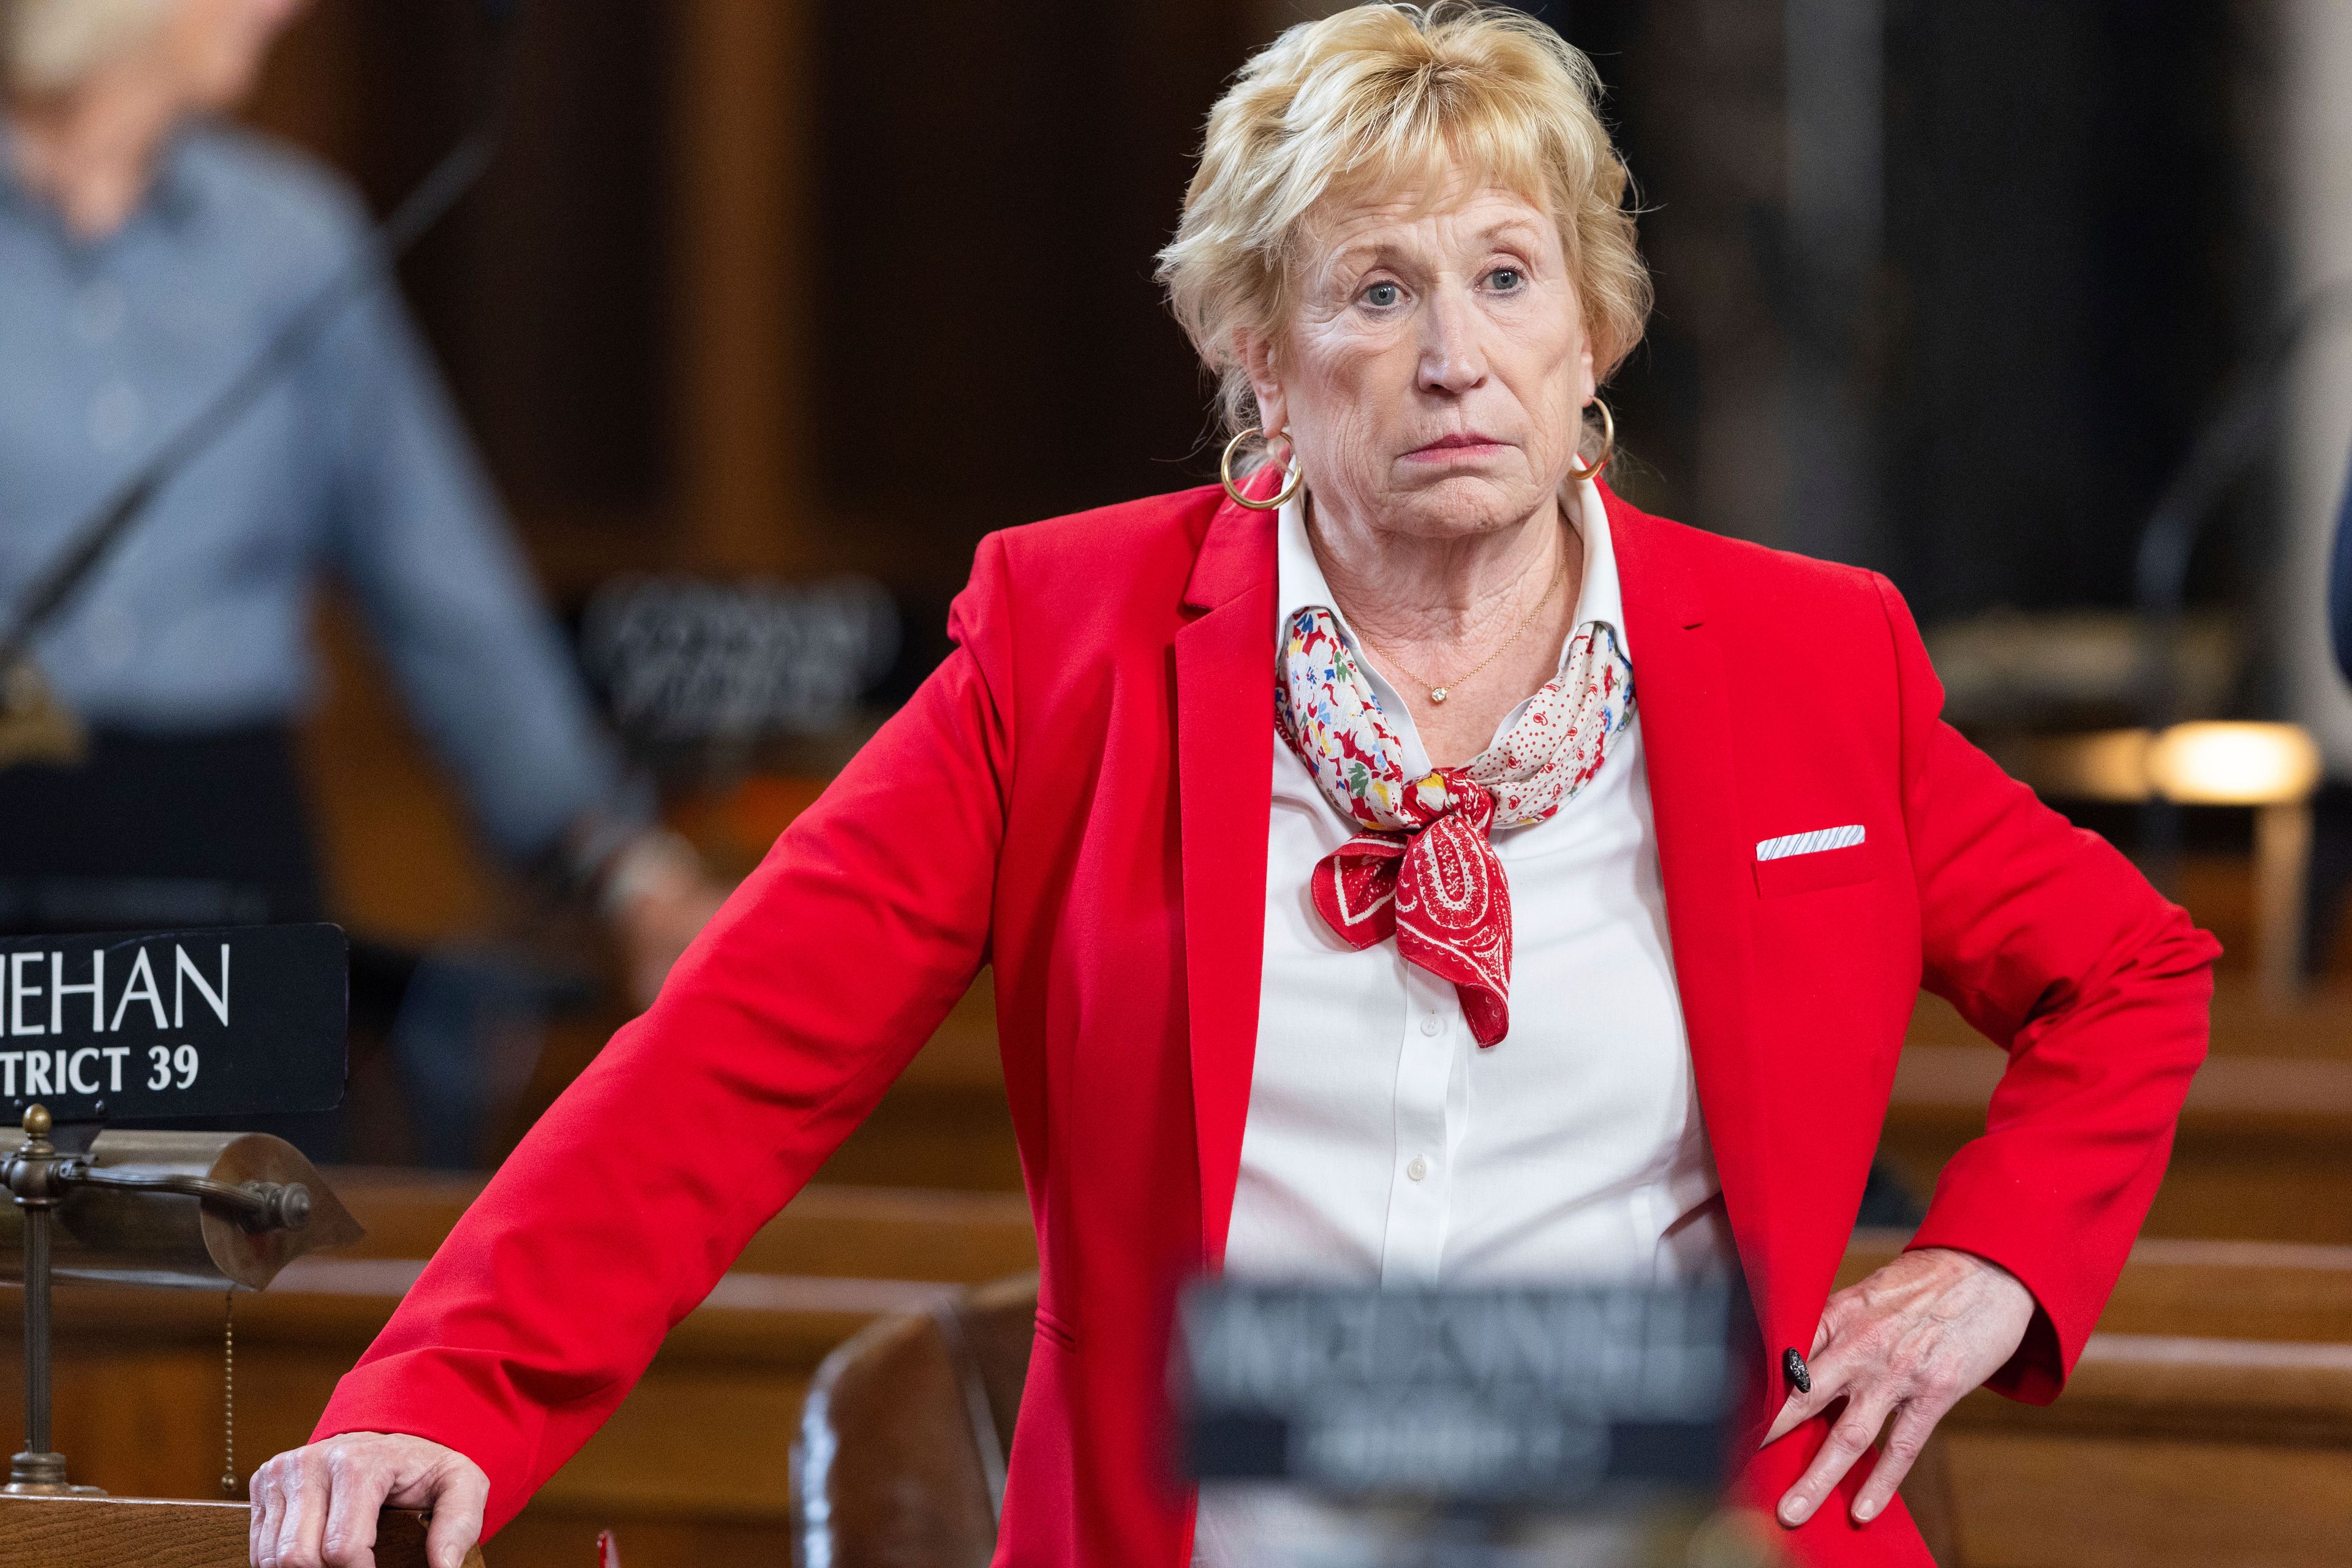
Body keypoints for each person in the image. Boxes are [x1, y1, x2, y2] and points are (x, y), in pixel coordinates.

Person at [249, 7, 2220, 1567]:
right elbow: (728, 1062)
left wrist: (1989, 1265)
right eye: (1375, 293)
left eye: (1509, 278)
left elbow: (2129, 974)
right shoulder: (1072, 645)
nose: (1456, 356)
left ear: (1597, 327)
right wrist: (440, 1394)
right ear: (1258, 359)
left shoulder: (1805, 659)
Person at [0, 0, 725, 1011]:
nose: (282, 10)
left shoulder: (291, 242)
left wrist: (621, 865)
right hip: (12, 822)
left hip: (225, 846)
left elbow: (441, 583)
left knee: (251, 1170)